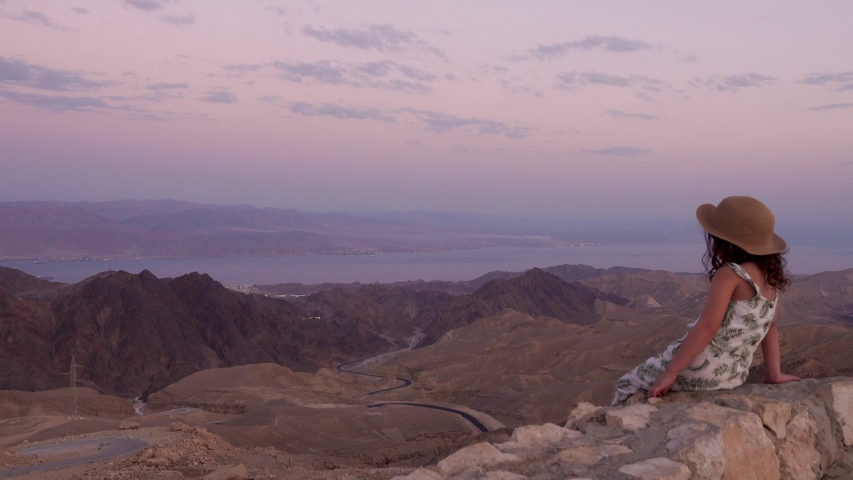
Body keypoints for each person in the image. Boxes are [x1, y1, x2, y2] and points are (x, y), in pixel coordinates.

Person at [611, 196, 800, 405]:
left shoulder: (731, 273)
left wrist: (670, 373)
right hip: (731, 375)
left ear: (725, 240)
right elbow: (770, 327)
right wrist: (774, 374)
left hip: (700, 369)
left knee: (626, 384)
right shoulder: (770, 278)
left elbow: (707, 327)